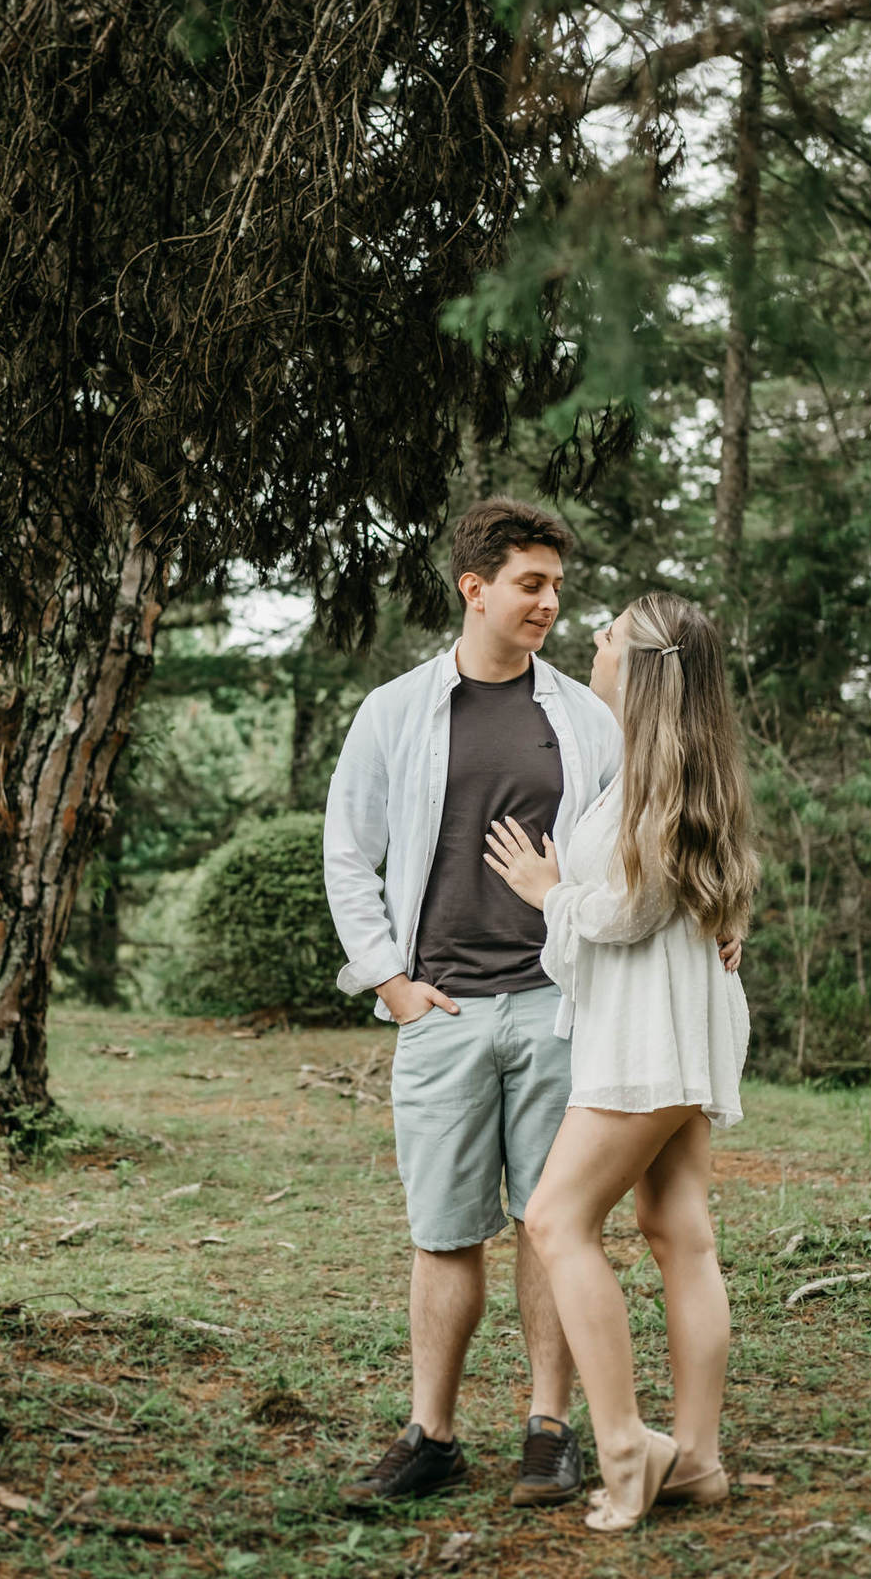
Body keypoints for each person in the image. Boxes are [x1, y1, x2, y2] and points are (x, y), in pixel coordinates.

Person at [323, 496, 624, 1509]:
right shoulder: (396, 712)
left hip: (557, 1010)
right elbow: (347, 853)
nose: (547, 603)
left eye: (554, 586)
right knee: (445, 1231)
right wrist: (392, 982)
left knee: (553, 1226)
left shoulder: (583, 719)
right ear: (475, 588)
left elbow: (634, 847)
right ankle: (433, 1437)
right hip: (442, 1015)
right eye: (530, 584)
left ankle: (549, 1433)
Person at [483, 590, 758, 1533]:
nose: (590, 643)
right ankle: (701, 1461)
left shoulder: (650, 782)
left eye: (606, 638)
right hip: (690, 1031)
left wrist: (547, 891)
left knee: (557, 1219)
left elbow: (622, 917)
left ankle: (626, 1446)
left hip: (646, 1038)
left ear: (639, 670)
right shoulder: (685, 769)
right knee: (678, 1227)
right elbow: (690, 902)